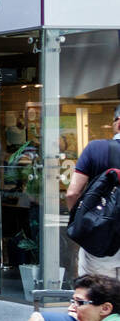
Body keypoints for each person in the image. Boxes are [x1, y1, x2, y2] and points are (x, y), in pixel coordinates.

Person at [65, 103, 120, 279]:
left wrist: (83, 223)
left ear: (118, 123)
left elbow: (72, 193)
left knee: (97, 295)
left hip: (101, 237)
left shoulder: (95, 148)